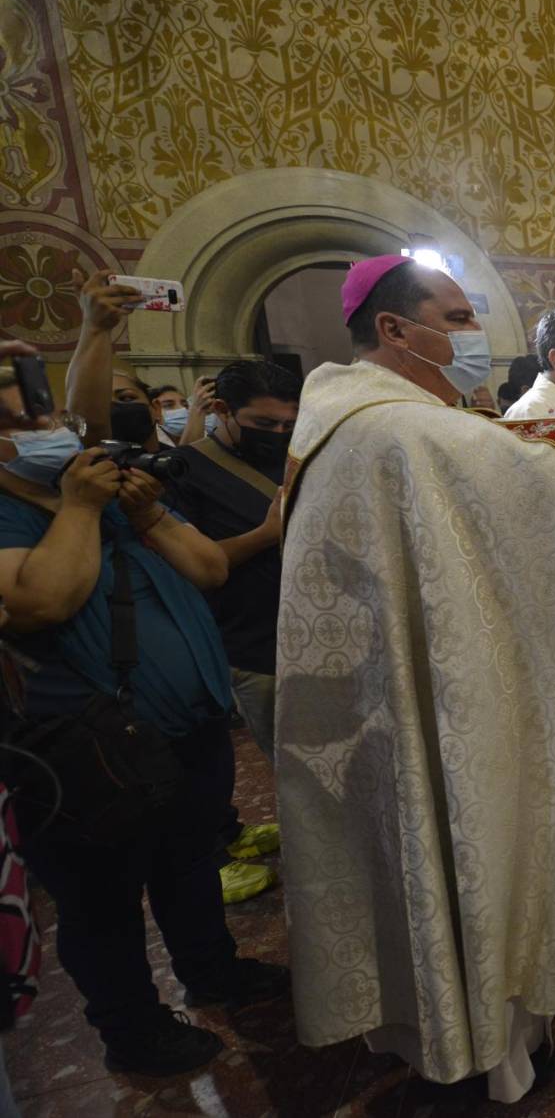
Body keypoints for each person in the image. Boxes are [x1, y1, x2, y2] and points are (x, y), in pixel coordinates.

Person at [276, 255, 555, 1102]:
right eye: (458, 316)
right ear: (394, 329)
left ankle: (462, 1032)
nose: (474, 334)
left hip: (408, 700)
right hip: (434, 712)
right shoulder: (394, 431)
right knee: (471, 843)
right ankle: (484, 1063)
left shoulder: (357, 417)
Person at [1, 280, 288, 1076]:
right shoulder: (24, 509)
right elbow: (43, 598)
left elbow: (202, 567)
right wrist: (81, 509)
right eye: (16, 415)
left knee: (191, 862)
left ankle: (213, 970)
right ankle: (134, 1032)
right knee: (101, 904)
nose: (44, 426)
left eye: (43, 410)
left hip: (186, 727)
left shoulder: (109, 485)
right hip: (84, 749)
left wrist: (147, 512)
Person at [167, 359, 301, 895]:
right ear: (221, 410)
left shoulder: (294, 453)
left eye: (288, 425)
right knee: (293, 772)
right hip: (252, 643)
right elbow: (192, 566)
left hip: (316, 637)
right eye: (264, 425)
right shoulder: (186, 471)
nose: (278, 436)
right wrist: (267, 534)